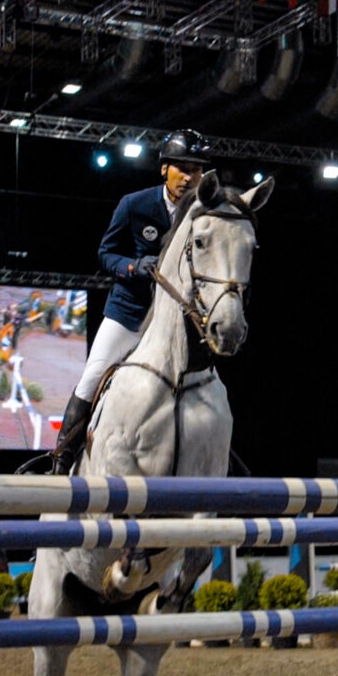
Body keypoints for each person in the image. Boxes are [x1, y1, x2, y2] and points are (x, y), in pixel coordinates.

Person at [52, 128, 211, 473]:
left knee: (203, 387)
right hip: (128, 315)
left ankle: (217, 456)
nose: (188, 177)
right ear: (163, 169)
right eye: (181, 168)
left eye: (196, 170)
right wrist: (133, 267)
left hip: (170, 325)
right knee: (92, 376)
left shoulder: (201, 215)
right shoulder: (135, 205)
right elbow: (105, 254)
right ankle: (62, 458)